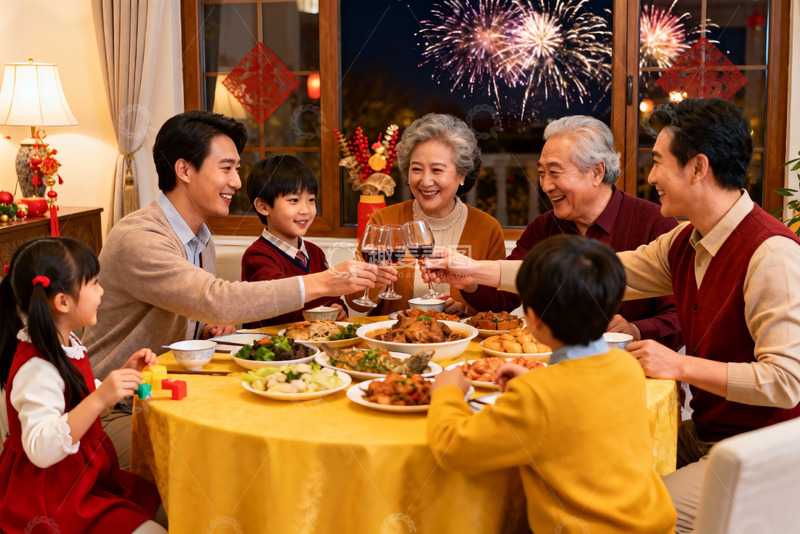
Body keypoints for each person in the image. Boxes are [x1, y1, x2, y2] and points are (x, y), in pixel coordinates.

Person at [423, 98, 800, 533]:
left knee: (618, 512)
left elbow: (787, 382)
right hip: (703, 433)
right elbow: (586, 275)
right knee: (581, 463)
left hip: (756, 454)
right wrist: (472, 270)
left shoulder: (771, 254)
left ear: (698, 168)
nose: (650, 177)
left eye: (658, 162)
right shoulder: (687, 240)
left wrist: (678, 365)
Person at [84, 110, 393, 469]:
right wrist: (327, 280)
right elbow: (216, 299)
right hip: (112, 407)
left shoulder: (200, 237)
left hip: (168, 390)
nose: (236, 180)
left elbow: (196, 309)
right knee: (227, 462)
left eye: (237, 168)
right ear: (184, 170)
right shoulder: (140, 237)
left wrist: (206, 327)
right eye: (226, 168)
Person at [427, 235, 676, 533]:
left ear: (532, 319)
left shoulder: (538, 396)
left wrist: (446, 391)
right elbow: (581, 406)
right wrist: (536, 383)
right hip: (652, 524)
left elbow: (454, 450)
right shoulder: (626, 367)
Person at [460, 115, 682, 350]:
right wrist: (469, 280)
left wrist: (636, 330)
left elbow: (680, 315)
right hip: (550, 362)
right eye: (542, 173)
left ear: (597, 172)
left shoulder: (655, 224)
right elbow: (504, 299)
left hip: (628, 365)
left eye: (555, 173)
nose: (546, 186)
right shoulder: (542, 228)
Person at [0, 237, 167, 534]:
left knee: (170, 502)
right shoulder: (36, 367)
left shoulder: (66, 342)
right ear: (63, 302)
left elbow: (73, 395)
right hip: (53, 497)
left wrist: (119, 380)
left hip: (86, 477)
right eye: (94, 284)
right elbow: (41, 448)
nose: (102, 292)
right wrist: (100, 398)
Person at [347, 113, 506, 316]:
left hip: (458, 335)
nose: (425, 181)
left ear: (462, 174)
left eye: (437, 170)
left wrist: (466, 307)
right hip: (393, 334)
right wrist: (375, 279)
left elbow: (501, 304)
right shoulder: (384, 221)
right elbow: (356, 303)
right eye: (416, 169)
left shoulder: (487, 228)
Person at [240, 155, 346, 327]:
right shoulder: (257, 256)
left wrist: (338, 308)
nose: (305, 210)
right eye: (294, 200)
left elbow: (331, 297)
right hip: (270, 341)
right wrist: (330, 293)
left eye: (311, 200)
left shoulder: (315, 252)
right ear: (263, 207)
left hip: (314, 337)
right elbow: (283, 305)